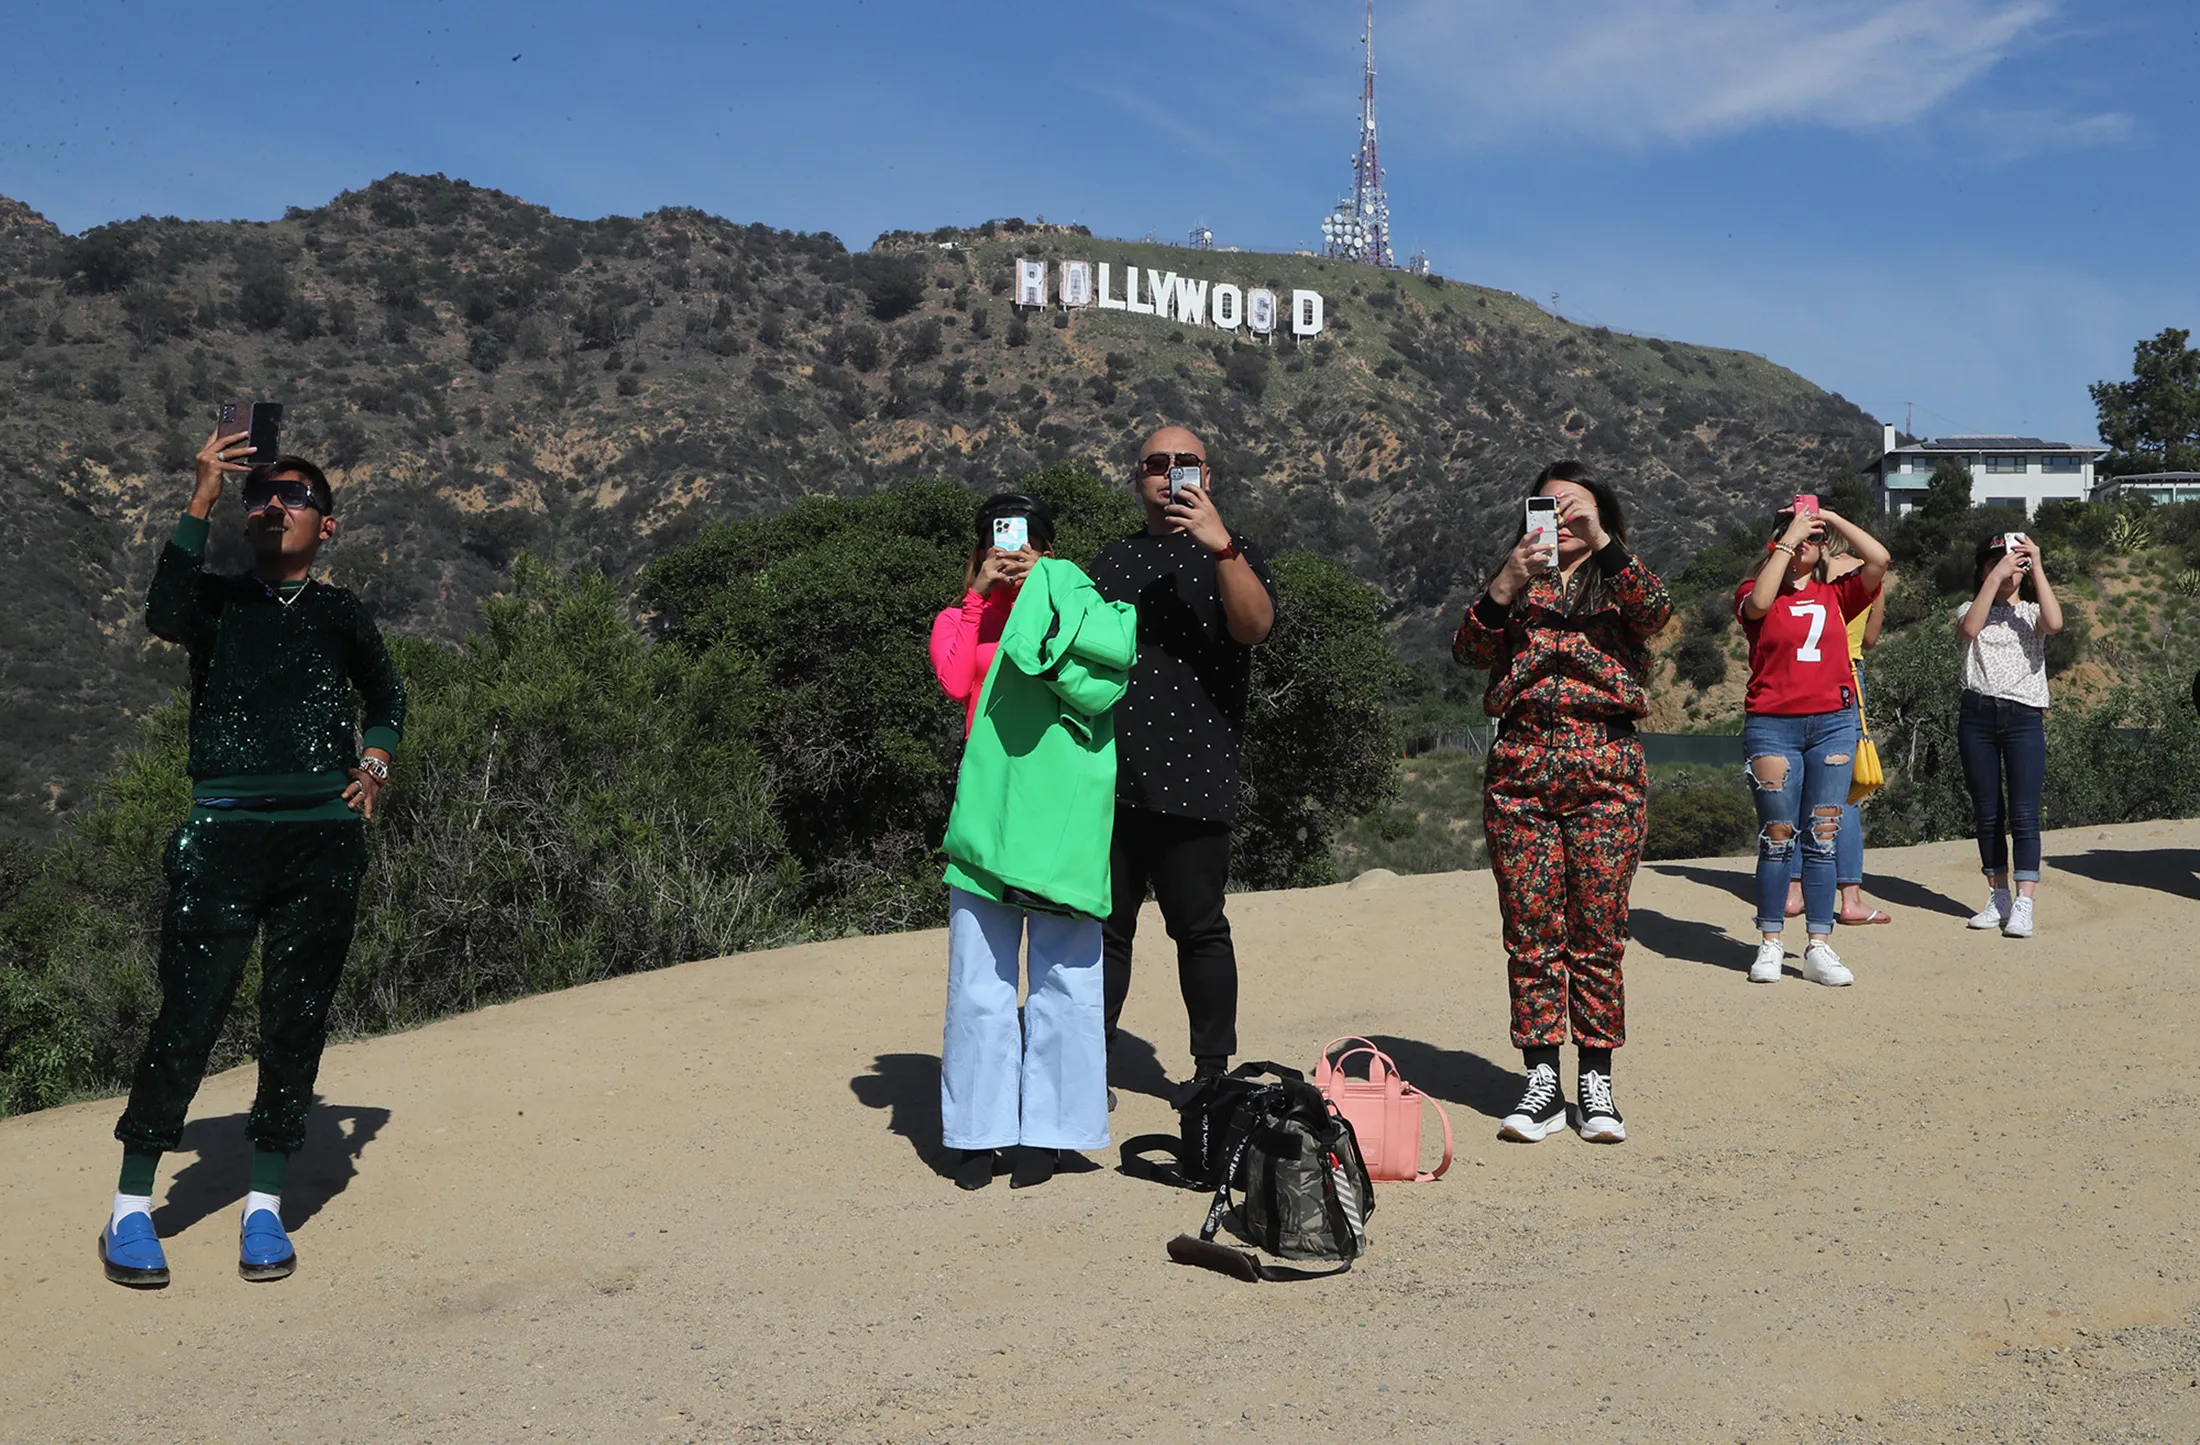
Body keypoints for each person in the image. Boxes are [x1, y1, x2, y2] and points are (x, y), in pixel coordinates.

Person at [102, 427, 405, 1288]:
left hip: (323, 843)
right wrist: (201, 492)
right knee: (189, 1013)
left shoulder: (343, 613)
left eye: (295, 495)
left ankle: (264, 1203)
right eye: (259, 497)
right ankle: (132, 1204)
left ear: (329, 524)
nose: (274, 505)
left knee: (295, 1016)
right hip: (223, 838)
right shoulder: (218, 604)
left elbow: (385, 694)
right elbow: (163, 611)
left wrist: (375, 760)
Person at [1453, 461, 1671, 1145]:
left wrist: (1603, 542)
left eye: (1579, 510)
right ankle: (1541, 1077)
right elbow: (1468, 649)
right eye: (1553, 509)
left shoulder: (1620, 583)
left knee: (1598, 931)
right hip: (1520, 770)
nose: (1566, 521)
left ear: (1602, 515)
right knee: (1531, 931)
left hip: (1606, 769)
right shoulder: (1517, 585)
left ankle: (1596, 1078)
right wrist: (1507, 580)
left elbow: (1656, 613)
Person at [933, 493, 1137, 1191]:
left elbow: (1104, 685)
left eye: (1025, 541)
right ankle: (977, 1134)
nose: (1012, 551)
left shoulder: (1072, 608)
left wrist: (1046, 585)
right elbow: (956, 678)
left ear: (1047, 547)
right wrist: (977, 595)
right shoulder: (965, 616)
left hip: (1056, 812)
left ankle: (1050, 1133)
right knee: (978, 984)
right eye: (998, 540)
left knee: (1065, 977)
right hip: (990, 813)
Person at [1088, 426, 1276, 1086]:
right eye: (1156, 464)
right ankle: (1086, 1065)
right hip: (1110, 780)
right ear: (1137, 477)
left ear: (1209, 474)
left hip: (1197, 777)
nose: (1171, 475)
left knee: (1197, 930)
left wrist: (1219, 547)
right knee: (1103, 932)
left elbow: (1256, 626)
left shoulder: (1236, 550)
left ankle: (1209, 1074)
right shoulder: (1110, 561)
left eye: (1185, 463)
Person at [1737, 505, 1888, 987]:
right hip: (1772, 726)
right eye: (1796, 536)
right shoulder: (1754, 590)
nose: (1806, 542)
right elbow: (1759, 602)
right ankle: (1770, 941)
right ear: (1776, 543)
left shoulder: (1835, 594)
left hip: (1832, 725)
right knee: (1778, 836)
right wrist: (1790, 538)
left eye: (1814, 539)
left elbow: (1878, 559)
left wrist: (1835, 519)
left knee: (1823, 837)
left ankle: (1820, 945)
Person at [1957, 532, 2063, 938]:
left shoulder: (2032, 613)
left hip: (2023, 716)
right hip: (1977, 715)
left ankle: (2024, 902)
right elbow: (1969, 629)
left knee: (2023, 812)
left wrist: (2035, 562)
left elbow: (2055, 624)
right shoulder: (1972, 607)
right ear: (1982, 569)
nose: (2005, 570)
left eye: (2011, 563)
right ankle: (1997, 894)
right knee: (1987, 811)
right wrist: (1995, 577)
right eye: (1994, 562)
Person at [1784, 554, 1891, 926]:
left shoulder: (1800, 573)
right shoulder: (1866, 574)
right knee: (1842, 791)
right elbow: (1871, 638)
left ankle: (1793, 892)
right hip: (1846, 673)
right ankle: (1851, 897)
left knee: (1798, 787)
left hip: (1799, 675)